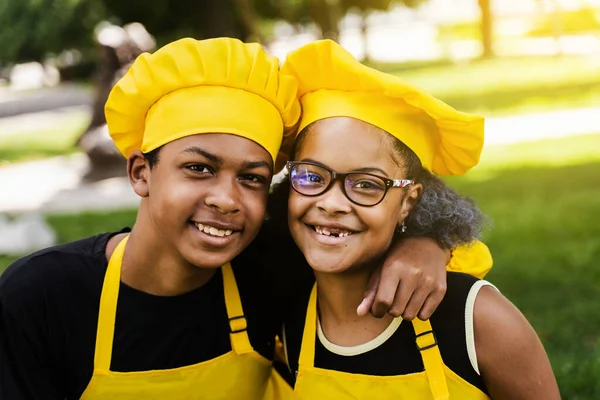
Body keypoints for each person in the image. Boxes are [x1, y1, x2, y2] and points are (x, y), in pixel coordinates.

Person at [0, 38, 490, 400]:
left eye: (252, 178)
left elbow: (364, 235)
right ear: (140, 172)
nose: (226, 199)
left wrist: (425, 242)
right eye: (198, 168)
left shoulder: (270, 268)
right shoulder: (43, 295)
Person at [275, 40, 561, 399]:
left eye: (366, 184)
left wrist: (431, 242)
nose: (332, 203)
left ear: (409, 201)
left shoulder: (477, 320)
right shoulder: (288, 314)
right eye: (313, 176)